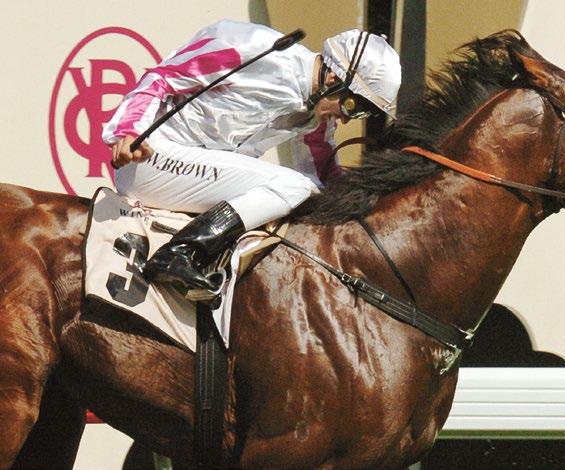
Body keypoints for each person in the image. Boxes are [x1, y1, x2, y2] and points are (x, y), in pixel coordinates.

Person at [103, 20, 402, 292]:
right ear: (334, 77)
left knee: (308, 192)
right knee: (295, 186)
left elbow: (326, 180)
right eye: (353, 106)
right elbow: (162, 78)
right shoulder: (252, 46)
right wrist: (128, 130)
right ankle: (181, 252)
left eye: (362, 113)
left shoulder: (316, 116)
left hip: (195, 180)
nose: (347, 119)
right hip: (151, 159)